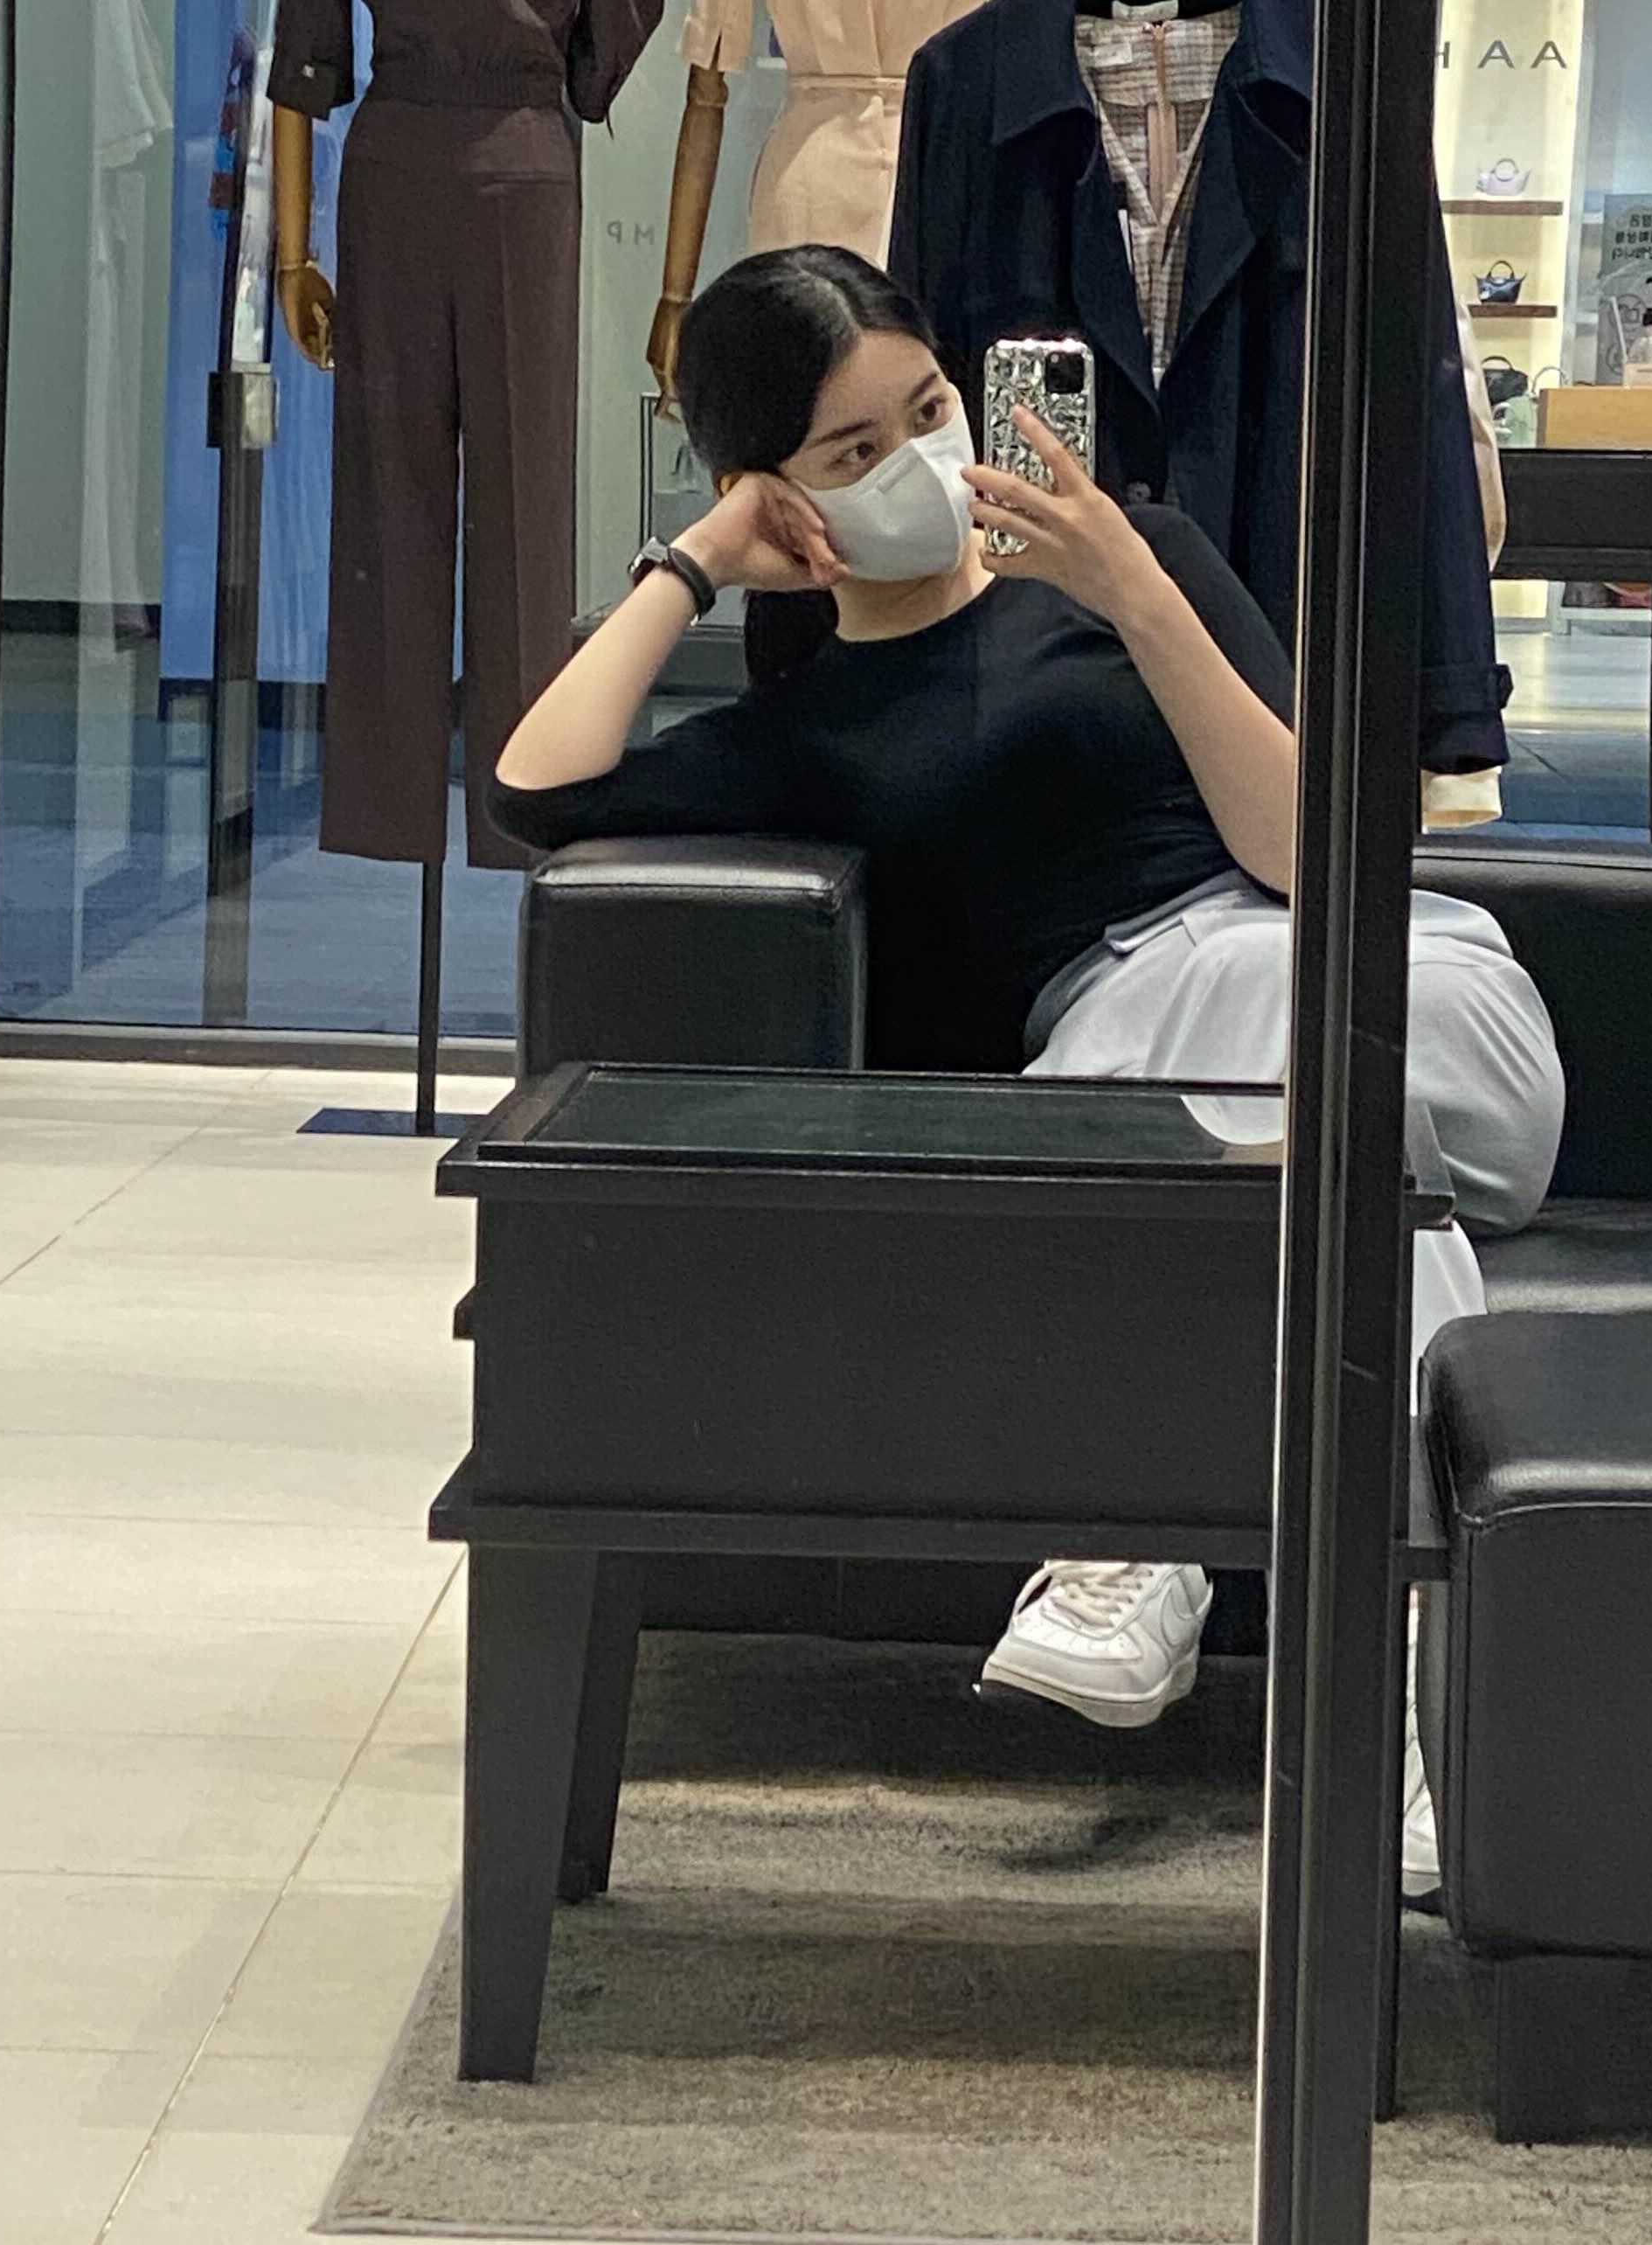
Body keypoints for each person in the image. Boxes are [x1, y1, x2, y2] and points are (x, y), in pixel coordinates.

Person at [490, 245, 1565, 1898]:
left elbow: (1318, 875)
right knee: (1345, 1187)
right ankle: (1446, 1742)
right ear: (781, 493)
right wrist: (694, 561)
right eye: (853, 452)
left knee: (1257, 1013)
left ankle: (1133, 1548)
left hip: (1398, 1000)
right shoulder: (815, 729)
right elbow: (535, 789)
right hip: (1243, 1112)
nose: (917, 461)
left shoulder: (1147, 560)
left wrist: (1136, 592)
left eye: (929, 411)